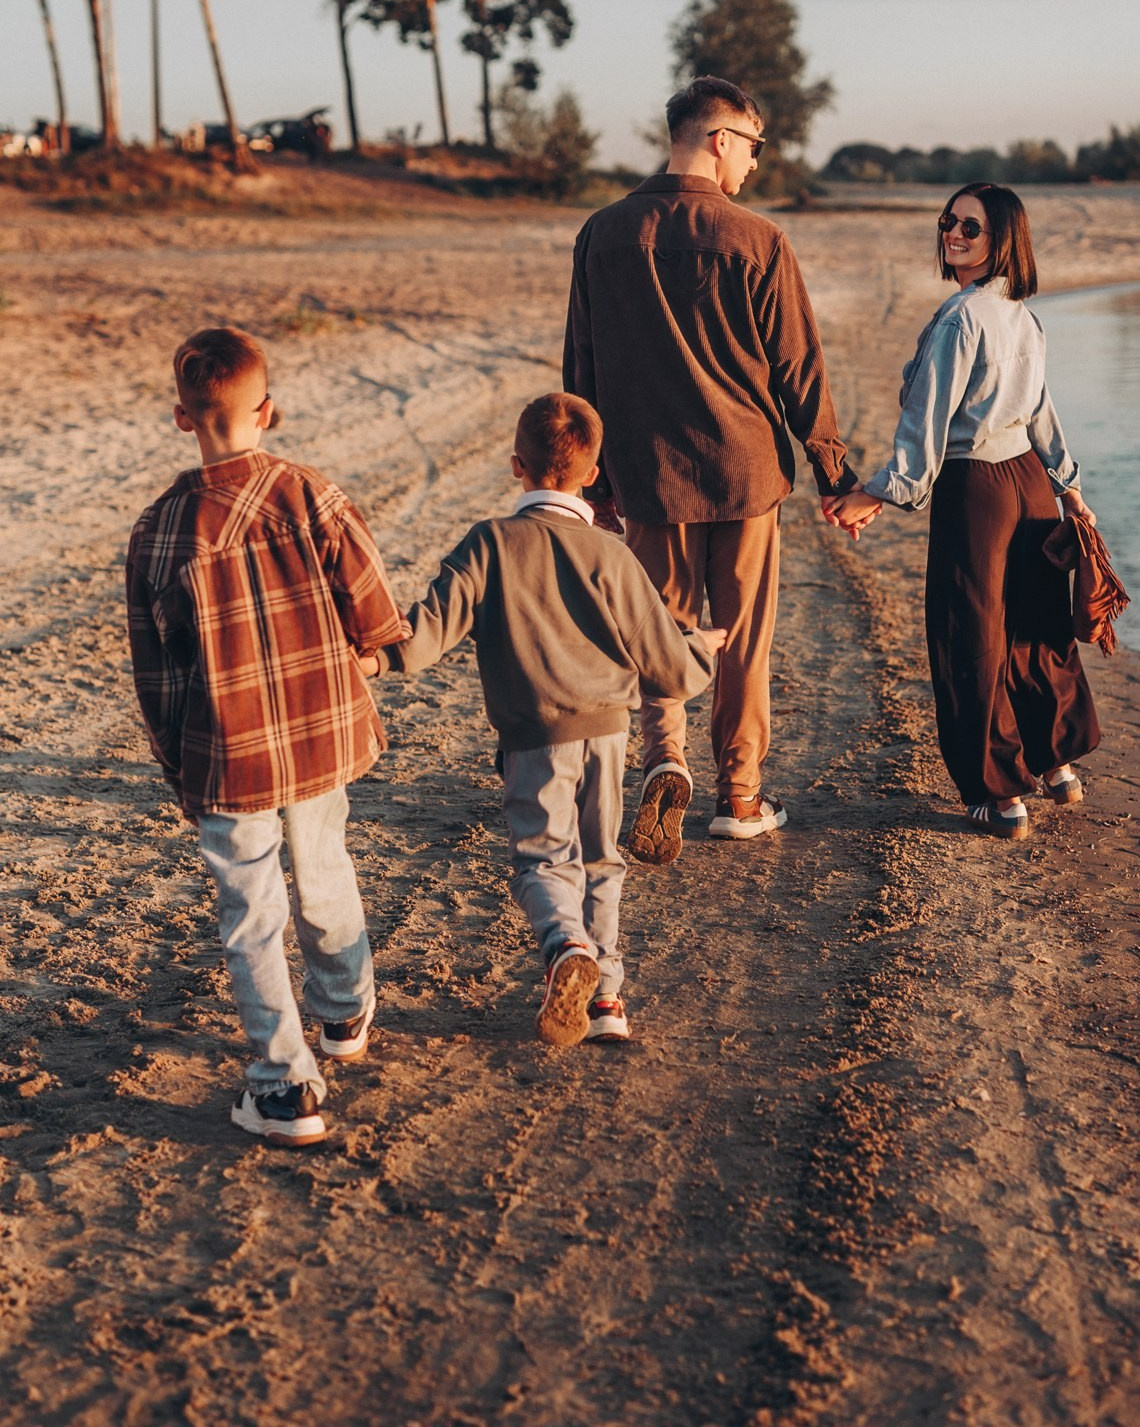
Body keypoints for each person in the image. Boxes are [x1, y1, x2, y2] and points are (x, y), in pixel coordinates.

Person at [563, 76, 866, 864]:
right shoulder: (756, 238)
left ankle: (665, 757)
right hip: (744, 472)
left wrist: (585, 481)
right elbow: (799, 369)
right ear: (719, 138)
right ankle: (740, 794)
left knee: (660, 632)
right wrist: (834, 473)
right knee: (741, 641)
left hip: (644, 474)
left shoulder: (601, 234)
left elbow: (581, 368)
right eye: (755, 147)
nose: (755, 167)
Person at [126, 327, 409, 1147]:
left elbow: (159, 674)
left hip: (227, 748)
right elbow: (374, 608)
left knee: (250, 910)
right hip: (317, 731)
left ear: (182, 418)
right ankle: (345, 1011)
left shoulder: (159, 530)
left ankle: (284, 1088)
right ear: (270, 410)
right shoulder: (310, 493)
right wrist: (362, 644)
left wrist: (179, 763)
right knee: (323, 867)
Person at [371, 392, 724, 1046]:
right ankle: (608, 999)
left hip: (537, 735)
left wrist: (361, 658)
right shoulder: (613, 554)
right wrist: (702, 646)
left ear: (516, 465)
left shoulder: (490, 545)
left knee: (541, 861)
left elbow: (420, 641)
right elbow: (667, 665)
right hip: (610, 731)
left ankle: (566, 947)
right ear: (593, 473)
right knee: (601, 858)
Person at [840, 184, 1101, 840]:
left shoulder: (961, 317)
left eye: (970, 227)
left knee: (972, 636)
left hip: (977, 488)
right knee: (1035, 623)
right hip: (1027, 483)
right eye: (948, 221)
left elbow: (926, 425)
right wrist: (1066, 484)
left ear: (1001, 240)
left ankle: (998, 794)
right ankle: (1055, 764)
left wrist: (879, 491)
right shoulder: (1020, 315)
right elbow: (1040, 410)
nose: (953, 233)